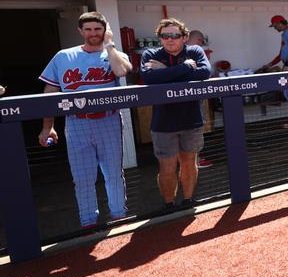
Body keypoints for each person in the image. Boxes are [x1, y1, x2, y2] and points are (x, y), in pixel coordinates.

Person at [38, 12, 132, 228]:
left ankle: (119, 216)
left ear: (104, 30)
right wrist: (48, 127)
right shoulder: (63, 56)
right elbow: (49, 93)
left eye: (98, 29)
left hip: (109, 119)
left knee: (114, 174)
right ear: (80, 31)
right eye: (88, 29)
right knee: (82, 178)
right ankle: (88, 221)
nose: (93, 33)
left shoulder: (115, 55)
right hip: (76, 122)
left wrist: (109, 45)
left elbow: (121, 71)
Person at [140, 18, 212, 212]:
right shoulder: (151, 54)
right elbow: (148, 78)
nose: (170, 40)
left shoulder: (195, 51)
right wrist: (186, 68)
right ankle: (169, 204)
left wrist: (165, 72)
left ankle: (188, 201)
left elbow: (205, 73)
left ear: (185, 37)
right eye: (165, 36)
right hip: (164, 123)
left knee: (189, 163)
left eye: (174, 35)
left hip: (192, 119)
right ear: (160, 38)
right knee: (167, 167)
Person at [262, 15, 288, 128]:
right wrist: (270, 64)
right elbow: (281, 54)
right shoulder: (284, 34)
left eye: (275, 25)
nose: (275, 28)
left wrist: (287, 64)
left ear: (280, 23)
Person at [186, 29, 214, 169]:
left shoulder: (189, 51)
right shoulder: (192, 51)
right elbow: (202, 73)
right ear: (198, 40)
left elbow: (204, 72)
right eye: (201, 41)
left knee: (192, 128)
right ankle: (195, 161)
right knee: (194, 127)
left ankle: (194, 160)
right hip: (191, 97)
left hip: (193, 96)